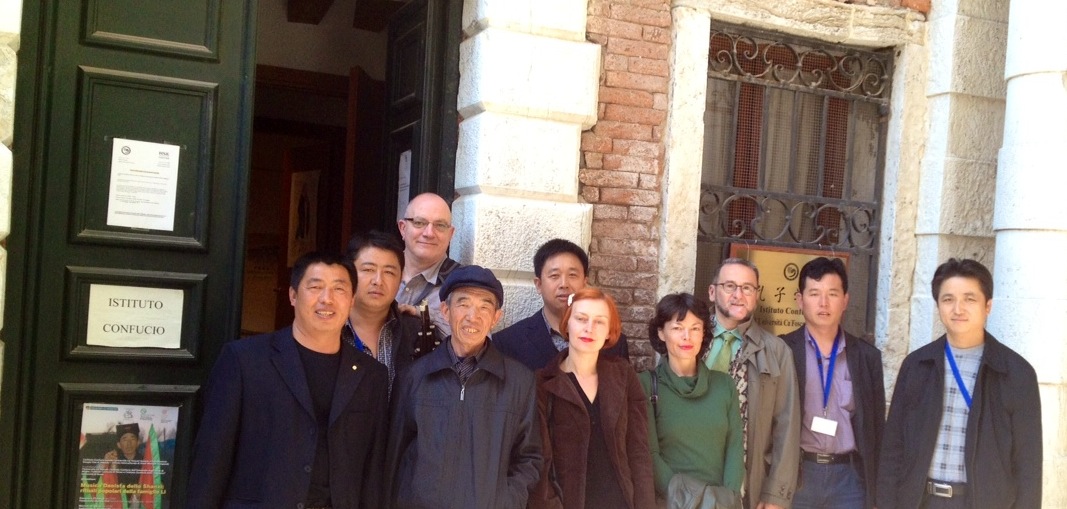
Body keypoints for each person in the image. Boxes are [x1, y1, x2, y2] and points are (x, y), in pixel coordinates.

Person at [187, 251, 389, 509]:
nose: (327, 299)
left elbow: (373, 472)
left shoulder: (371, 375)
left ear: (351, 301)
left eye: (339, 289)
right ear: (293, 295)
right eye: (315, 287)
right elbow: (211, 459)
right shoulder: (244, 361)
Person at [877, 258, 1041, 509]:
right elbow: (893, 446)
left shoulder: (1015, 373)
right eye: (948, 299)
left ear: (988, 306)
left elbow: (1028, 463)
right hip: (922, 501)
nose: (958, 309)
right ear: (938, 305)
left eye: (969, 299)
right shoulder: (917, 365)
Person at [386, 265, 541, 509]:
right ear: (445, 310)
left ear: (496, 317)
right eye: (463, 303)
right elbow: (395, 454)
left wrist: (506, 501)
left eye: (484, 307)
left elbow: (529, 457)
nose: (472, 316)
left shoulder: (520, 381)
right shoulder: (414, 377)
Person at [529, 287, 655, 509]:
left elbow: (639, 452)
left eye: (599, 322)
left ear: (609, 331)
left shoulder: (623, 375)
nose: (589, 328)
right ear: (567, 323)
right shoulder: (543, 383)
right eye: (581, 319)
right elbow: (539, 461)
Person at [780, 258, 884, 509]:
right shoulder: (782, 349)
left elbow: (876, 428)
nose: (823, 303)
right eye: (814, 293)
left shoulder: (867, 357)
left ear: (845, 300)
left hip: (849, 479)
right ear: (800, 300)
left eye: (832, 294)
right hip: (797, 474)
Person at [703, 258, 800, 509]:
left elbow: (786, 426)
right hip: (692, 481)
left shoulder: (777, 351)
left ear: (756, 296)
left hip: (747, 486)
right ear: (712, 292)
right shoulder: (689, 339)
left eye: (747, 288)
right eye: (730, 286)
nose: (739, 295)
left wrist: (776, 494)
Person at [639, 293, 744, 505]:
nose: (687, 336)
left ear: (704, 333)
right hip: (670, 502)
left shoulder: (724, 385)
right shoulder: (645, 384)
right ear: (661, 333)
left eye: (695, 328)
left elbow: (734, 449)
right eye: (677, 328)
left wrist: (725, 501)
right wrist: (693, 501)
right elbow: (649, 454)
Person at [494, 238, 629, 370]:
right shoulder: (508, 342)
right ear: (539, 285)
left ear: (584, 283)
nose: (564, 284)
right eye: (554, 276)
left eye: (572, 275)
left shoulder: (613, 342)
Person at [342, 230, 427, 388]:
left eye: (389, 272)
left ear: (401, 278)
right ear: (348, 273)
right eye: (368, 270)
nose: (378, 281)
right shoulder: (330, 329)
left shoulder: (417, 333)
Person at [395, 192, 461, 338]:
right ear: (403, 228)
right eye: (419, 223)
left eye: (440, 225)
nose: (429, 233)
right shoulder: (376, 274)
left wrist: (423, 314)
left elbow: (476, 341)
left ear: (450, 234)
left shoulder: (461, 284)